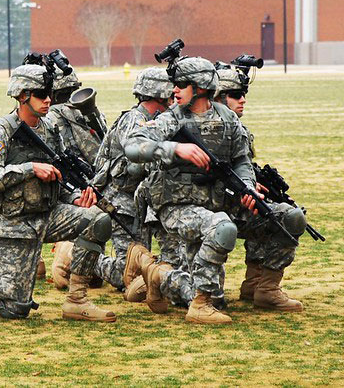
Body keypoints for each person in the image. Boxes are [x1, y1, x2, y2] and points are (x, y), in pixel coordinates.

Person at [123, 56, 306, 324]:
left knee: (290, 218)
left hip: (221, 201)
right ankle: (195, 300)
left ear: (201, 87)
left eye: (181, 84)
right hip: (178, 206)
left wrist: (247, 188)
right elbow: (133, 145)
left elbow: (241, 159)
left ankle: (267, 289)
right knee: (221, 230)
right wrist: (174, 148)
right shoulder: (170, 119)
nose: (174, 90)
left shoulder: (228, 119)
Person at [0, 63, 114, 321]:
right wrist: (29, 169)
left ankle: (77, 300)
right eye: (41, 94)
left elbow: (59, 177)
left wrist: (75, 197)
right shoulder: (1, 132)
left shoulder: (50, 130)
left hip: (46, 214)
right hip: (9, 222)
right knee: (15, 309)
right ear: (22, 96)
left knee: (98, 220)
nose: (48, 100)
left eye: (49, 94)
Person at [87, 67, 172, 294]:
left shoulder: (158, 120)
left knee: (143, 267)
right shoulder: (133, 120)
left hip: (141, 202)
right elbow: (136, 165)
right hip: (120, 202)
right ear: (160, 94)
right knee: (126, 274)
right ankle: (80, 258)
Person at [42, 66, 107, 283]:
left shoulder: (48, 117)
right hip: (81, 188)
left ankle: (63, 255)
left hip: (72, 188)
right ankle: (68, 255)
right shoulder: (89, 114)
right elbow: (100, 155)